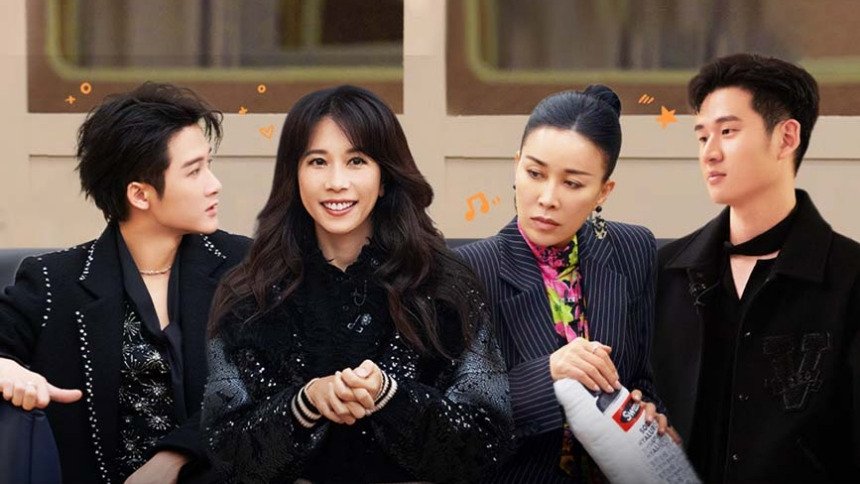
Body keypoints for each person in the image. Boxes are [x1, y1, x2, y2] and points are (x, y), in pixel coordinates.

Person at [201, 85, 513, 483]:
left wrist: (389, 396)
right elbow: (226, 452)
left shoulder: (444, 286)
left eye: (356, 161)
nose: (336, 182)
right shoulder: (249, 293)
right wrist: (306, 403)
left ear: (384, 178)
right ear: (294, 174)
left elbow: (487, 443)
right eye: (317, 161)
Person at [0, 82, 251, 483]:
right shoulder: (53, 283)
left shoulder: (244, 266)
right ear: (139, 194)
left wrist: (173, 458)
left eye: (209, 164)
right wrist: (6, 369)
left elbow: (266, 381)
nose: (214, 183)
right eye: (194, 171)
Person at [652, 53, 860, 482]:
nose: (710, 153)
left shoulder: (851, 277)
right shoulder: (665, 272)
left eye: (727, 131)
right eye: (702, 136)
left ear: (786, 137)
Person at [456, 85, 675, 483]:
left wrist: (648, 412)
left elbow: (641, 377)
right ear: (516, 165)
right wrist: (550, 372)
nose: (547, 198)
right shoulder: (470, 269)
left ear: (604, 191)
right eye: (534, 173)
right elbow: (458, 418)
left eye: (572, 183)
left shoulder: (633, 249)